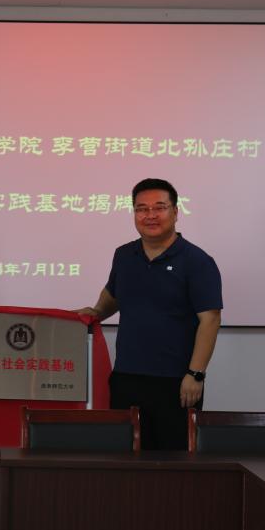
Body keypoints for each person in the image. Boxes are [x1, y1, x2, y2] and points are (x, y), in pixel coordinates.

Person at [76, 178, 222, 450]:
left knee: (174, 461)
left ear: (175, 212)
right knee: (126, 458)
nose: (150, 215)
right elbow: (114, 295)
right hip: (126, 377)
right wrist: (96, 312)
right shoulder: (124, 255)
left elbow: (210, 319)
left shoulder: (197, 261)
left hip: (176, 381)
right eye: (142, 209)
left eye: (159, 208)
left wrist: (196, 374)